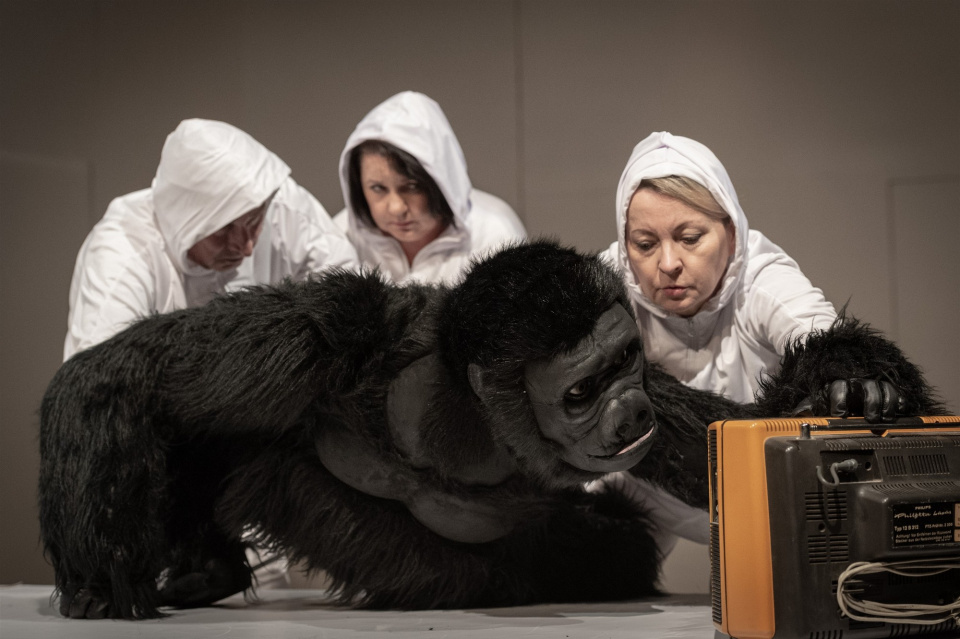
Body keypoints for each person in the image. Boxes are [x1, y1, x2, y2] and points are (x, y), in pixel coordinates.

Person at [596, 131, 838, 554]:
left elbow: (828, 349)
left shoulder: (763, 281)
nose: (668, 264)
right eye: (645, 244)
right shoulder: (607, 286)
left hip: (765, 493)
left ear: (730, 229)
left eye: (690, 238)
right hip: (641, 485)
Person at [64, 118, 358, 361]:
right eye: (223, 231)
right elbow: (99, 390)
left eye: (255, 223)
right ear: (184, 222)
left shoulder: (279, 206)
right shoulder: (123, 257)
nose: (246, 246)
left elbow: (348, 296)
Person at [335, 91, 526, 284]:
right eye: (377, 188)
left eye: (411, 187)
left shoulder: (494, 236)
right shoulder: (341, 236)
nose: (396, 208)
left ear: (443, 181)